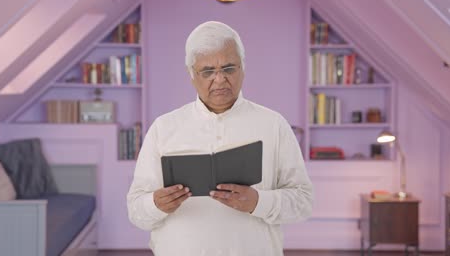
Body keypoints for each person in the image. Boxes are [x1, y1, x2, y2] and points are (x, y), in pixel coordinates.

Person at [127, 21, 313, 256]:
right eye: (207, 71)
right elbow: (135, 211)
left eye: (228, 69)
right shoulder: (163, 128)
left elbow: (303, 202)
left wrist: (259, 202)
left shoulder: (273, 124)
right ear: (192, 75)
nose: (219, 79)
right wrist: (155, 204)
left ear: (243, 68)